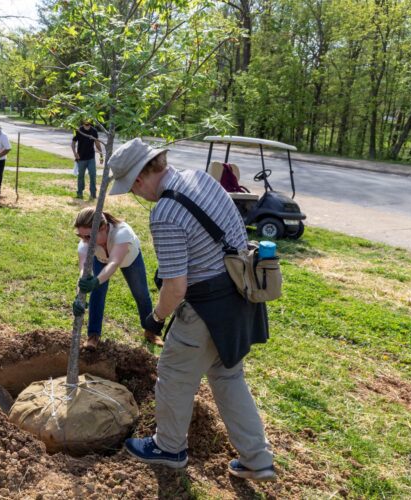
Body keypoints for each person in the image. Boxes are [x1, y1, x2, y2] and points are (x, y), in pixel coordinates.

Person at [103, 138, 275, 481]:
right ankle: (258, 460)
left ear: (138, 179)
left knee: (173, 376)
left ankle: (168, 447)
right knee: (228, 377)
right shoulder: (200, 177)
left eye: (132, 189)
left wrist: (156, 317)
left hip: (206, 308)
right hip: (239, 294)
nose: (138, 196)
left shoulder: (165, 213)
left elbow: (175, 287)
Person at [72, 207, 157, 350]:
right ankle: (93, 335)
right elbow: (83, 273)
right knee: (97, 293)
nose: (85, 241)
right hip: (102, 260)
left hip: (129, 259)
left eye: (88, 236)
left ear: (103, 228)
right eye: (81, 236)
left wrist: (97, 280)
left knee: (141, 293)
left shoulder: (122, 233)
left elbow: (114, 263)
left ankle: (151, 331)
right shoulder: (84, 245)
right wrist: (79, 295)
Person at [71, 120, 103, 200]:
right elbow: (73, 143)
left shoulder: (94, 131)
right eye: (85, 119)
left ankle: (93, 195)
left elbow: (97, 143)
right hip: (80, 158)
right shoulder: (78, 130)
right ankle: (79, 194)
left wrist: (101, 155)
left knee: (93, 175)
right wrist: (75, 153)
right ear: (83, 120)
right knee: (81, 176)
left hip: (91, 158)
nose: (87, 121)